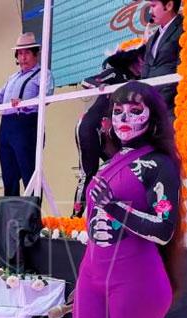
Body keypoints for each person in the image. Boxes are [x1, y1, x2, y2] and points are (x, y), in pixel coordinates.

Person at [68, 81, 184, 318]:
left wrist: (117, 210)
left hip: (137, 279)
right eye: (118, 112)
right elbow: (86, 134)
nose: (125, 119)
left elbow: (165, 230)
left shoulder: (159, 164)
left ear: (153, 119)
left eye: (135, 111)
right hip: (93, 276)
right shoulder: (110, 163)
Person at [0, 33, 54, 197]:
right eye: (20, 53)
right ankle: (11, 215)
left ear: (35, 54)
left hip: (27, 124)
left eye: (27, 53)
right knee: (9, 174)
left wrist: (25, 105)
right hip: (7, 125)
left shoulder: (44, 74)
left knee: (29, 171)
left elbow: (46, 97)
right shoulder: (12, 77)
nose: (23, 57)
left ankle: (32, 216)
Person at [73, 43, 147, 217]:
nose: (143, 63)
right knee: (88, 172)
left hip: (113, 133)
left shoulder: (139, 81)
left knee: (121, 170)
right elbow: (88, 81)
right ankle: (75, 218)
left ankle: (112, 215)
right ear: (132, 57)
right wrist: (103, 88)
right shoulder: (116, 72)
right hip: (92, 127)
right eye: (141, 58)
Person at [140, 0, 183, 114]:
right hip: (150, 108)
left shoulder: (185, 28)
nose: (150, 11)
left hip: (171, 108)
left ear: (169, 5)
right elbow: (145, 72)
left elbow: (183, 70)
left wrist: (157, 103)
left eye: (153, 5)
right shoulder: (152, 38)